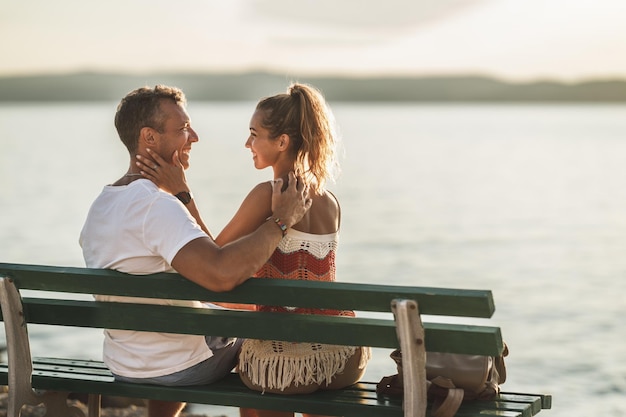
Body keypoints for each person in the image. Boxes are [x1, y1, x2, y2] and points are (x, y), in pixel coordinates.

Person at [137, 83, 370, 417]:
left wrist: (182, 193)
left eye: (254, 134)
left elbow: (211, 260)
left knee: (250, 355)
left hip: (287, 362)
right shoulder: (329, 200)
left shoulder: (267, 195)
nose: (248, 143)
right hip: (341, 357)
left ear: (282, 142)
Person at [79, 85, 311, 417]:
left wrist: (183, 195)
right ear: (150, 137)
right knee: (266, 341)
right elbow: (221, 273)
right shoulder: (154, 205)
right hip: (176, 366)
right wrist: (281, 221)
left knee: (206, 325)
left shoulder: (102, 204)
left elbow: (209, 258)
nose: (195, 137)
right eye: (183, 129)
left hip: (125, 362)